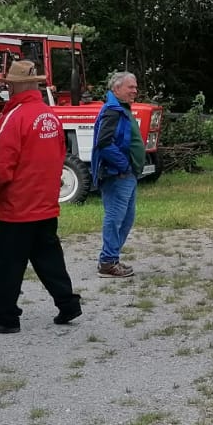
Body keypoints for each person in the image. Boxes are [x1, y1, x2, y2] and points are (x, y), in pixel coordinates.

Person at [0, 60, 81, 333]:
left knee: (6, 265)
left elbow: (0, 166)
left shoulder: (14, 117)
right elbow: (60, 156)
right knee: (49, 258)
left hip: (18, 207)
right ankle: (68, 303)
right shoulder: (50, 115)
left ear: (12, 86)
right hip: (45, 203)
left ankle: (5, 317)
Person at [90, 71, 142, 278]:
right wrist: (123, 165)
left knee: (126, 218)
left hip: (126, 175)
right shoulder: (113, 110)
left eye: (136, 87)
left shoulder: (121, 108)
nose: (135, 91)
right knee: (115, 218)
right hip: (117, 175)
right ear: (116, 88)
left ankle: (110, 258)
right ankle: (108, 262)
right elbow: (103, 143)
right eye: (131, 87)